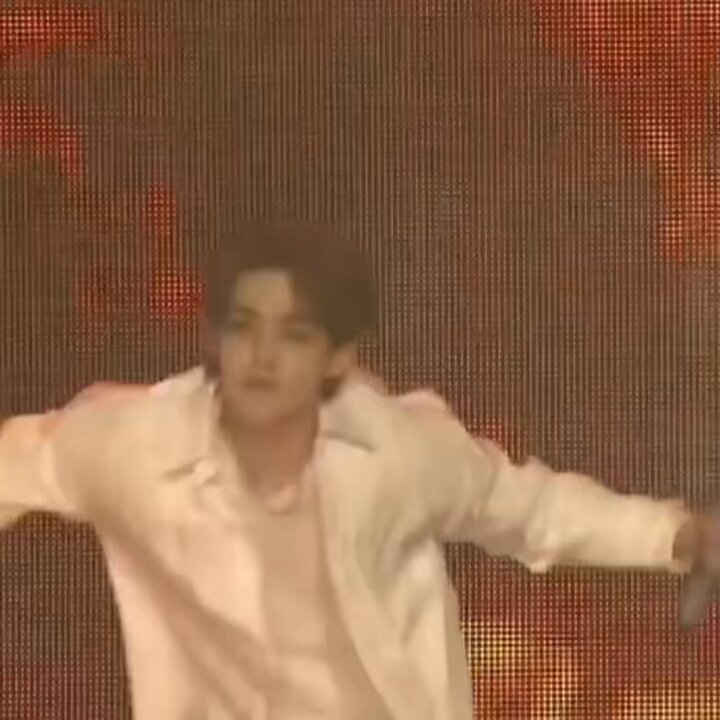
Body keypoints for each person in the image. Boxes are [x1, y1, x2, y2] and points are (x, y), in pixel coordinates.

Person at [0, 219, 714, 719]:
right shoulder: (134, 450)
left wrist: (678, 535)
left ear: (337, 358)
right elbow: (18, 460)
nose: (262, 356)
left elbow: (528, 507)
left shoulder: (395, 454)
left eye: (295, 334)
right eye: (244, 327)